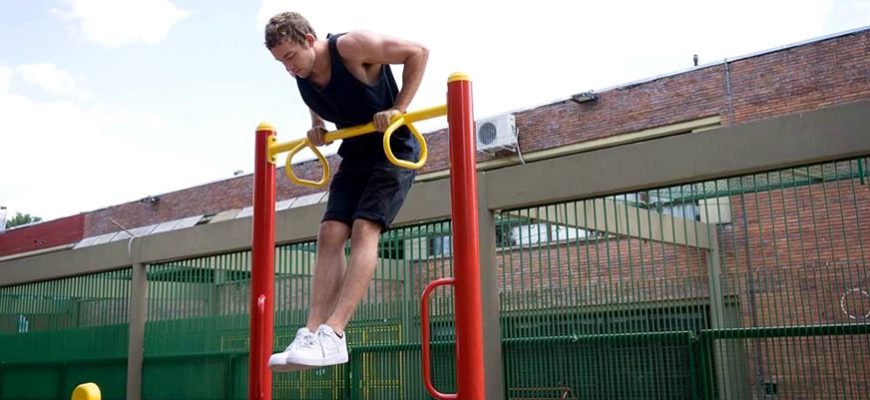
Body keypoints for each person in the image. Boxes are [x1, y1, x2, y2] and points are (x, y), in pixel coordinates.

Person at [263, 12, 428, 370]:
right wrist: (316, 124)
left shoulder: (351, 47)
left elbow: (418, 52)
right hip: (356, 153)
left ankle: (335, 333)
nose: (288, 68)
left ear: (309, 39)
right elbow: (316, 92)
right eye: (280, 62)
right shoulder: (302, 72)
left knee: (364, 227)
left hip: (392, 147)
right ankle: (311, 333)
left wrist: (398, 109)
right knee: (330, 232)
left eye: (290, 56)